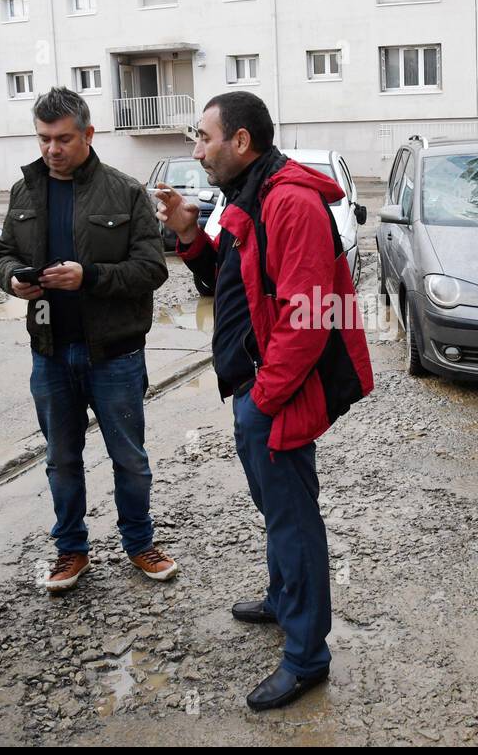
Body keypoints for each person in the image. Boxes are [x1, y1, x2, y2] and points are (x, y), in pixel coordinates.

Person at [155, 91, 373, 711]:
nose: (196, 151)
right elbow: (228, 279)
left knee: (294, 520)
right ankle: (283, 600)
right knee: (276, 510)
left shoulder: (291, 202)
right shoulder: (251, 195)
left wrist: (265, 401)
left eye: (203, 138)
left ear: (241, 142)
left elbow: (307, 320)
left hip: (274, 391)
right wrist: (191, 235)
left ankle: (307, 658)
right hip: (255, 385)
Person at [0, 88, 174, 592]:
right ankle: (70, 550)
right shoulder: (24, 192)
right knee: (61, 460)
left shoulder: (125, 191)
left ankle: (139, 543)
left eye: (64, 139)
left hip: (114, 352)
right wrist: (12, 279)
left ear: (89, 135)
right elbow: (3, 253)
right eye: (45, 138)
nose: (53, 149)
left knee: (129, 459)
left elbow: (152, 268)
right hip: (49, 351)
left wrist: (88, 277)